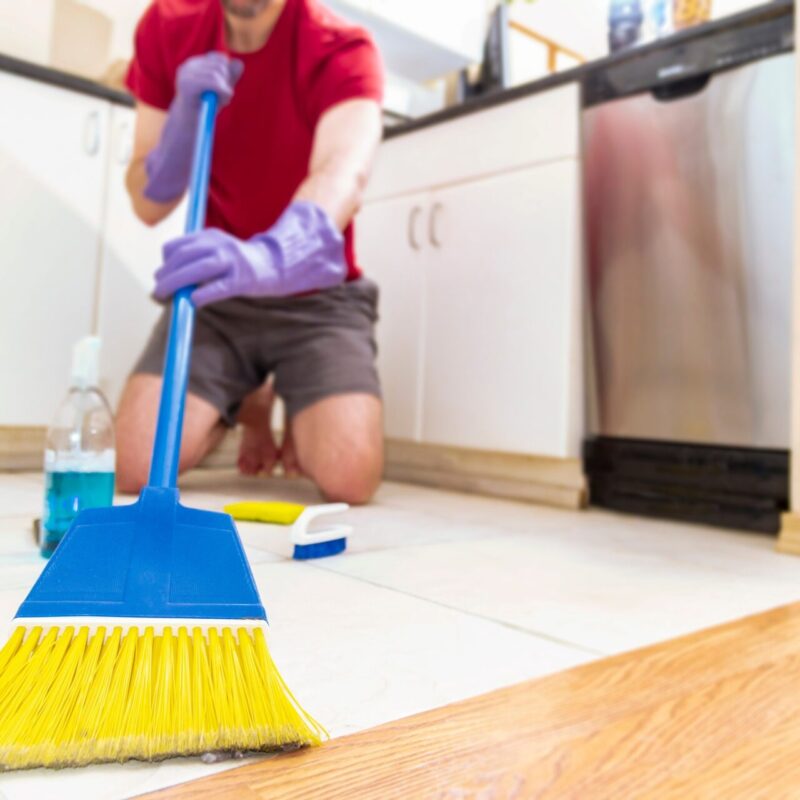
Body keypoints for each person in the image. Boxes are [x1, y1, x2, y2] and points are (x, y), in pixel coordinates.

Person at [117, 0, 385, 504]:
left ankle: (285, 388)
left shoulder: (343, 46)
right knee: (134, 462)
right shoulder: (167, 26)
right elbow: (145, 204)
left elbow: (342, 175)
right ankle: (249, 400)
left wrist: (270, 257)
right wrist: (179, 127)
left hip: (317, 295)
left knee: (348, 476)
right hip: (219, 290)